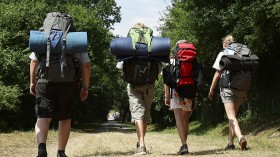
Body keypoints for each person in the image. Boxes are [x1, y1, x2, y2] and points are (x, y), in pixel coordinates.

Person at [29, 52, 90, 157]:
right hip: (68, 84)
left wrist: (32, 82)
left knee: (43, 116)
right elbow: (86, 65)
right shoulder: (75, 38)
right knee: (65, 118)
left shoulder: (44, 36)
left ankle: (42, 148)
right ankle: (61, 152)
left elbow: (34, 61)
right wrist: (85, 87)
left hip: (44, 82)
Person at [116, 22, 161, 155]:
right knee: (145, 115)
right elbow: (159, 70)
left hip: (133, 85)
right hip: (149, 85)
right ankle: (141, 142)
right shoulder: (152, 47)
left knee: (137, 114)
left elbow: (119, 67)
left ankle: (141, 145)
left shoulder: (129, 47)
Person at [208, 34, 248, 151]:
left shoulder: (223, 53)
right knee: (233, 117)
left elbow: (217, 74)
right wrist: (245, 92)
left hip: (227, 87)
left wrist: (211, 89)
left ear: (225, 44)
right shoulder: (241, 54)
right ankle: (230, 143)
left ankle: (241, 137)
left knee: (231, 117)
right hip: (240, 88)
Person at [163, 40, 198, 155]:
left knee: (178, 118)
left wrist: (166, 96)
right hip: (189, 91)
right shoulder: (193, 61)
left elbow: (167, 80)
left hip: (176, 91)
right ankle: (184, 143)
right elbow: (196, 79)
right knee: (185, 119)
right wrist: (195, 97)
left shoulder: (172, 61)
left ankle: (184, 144)